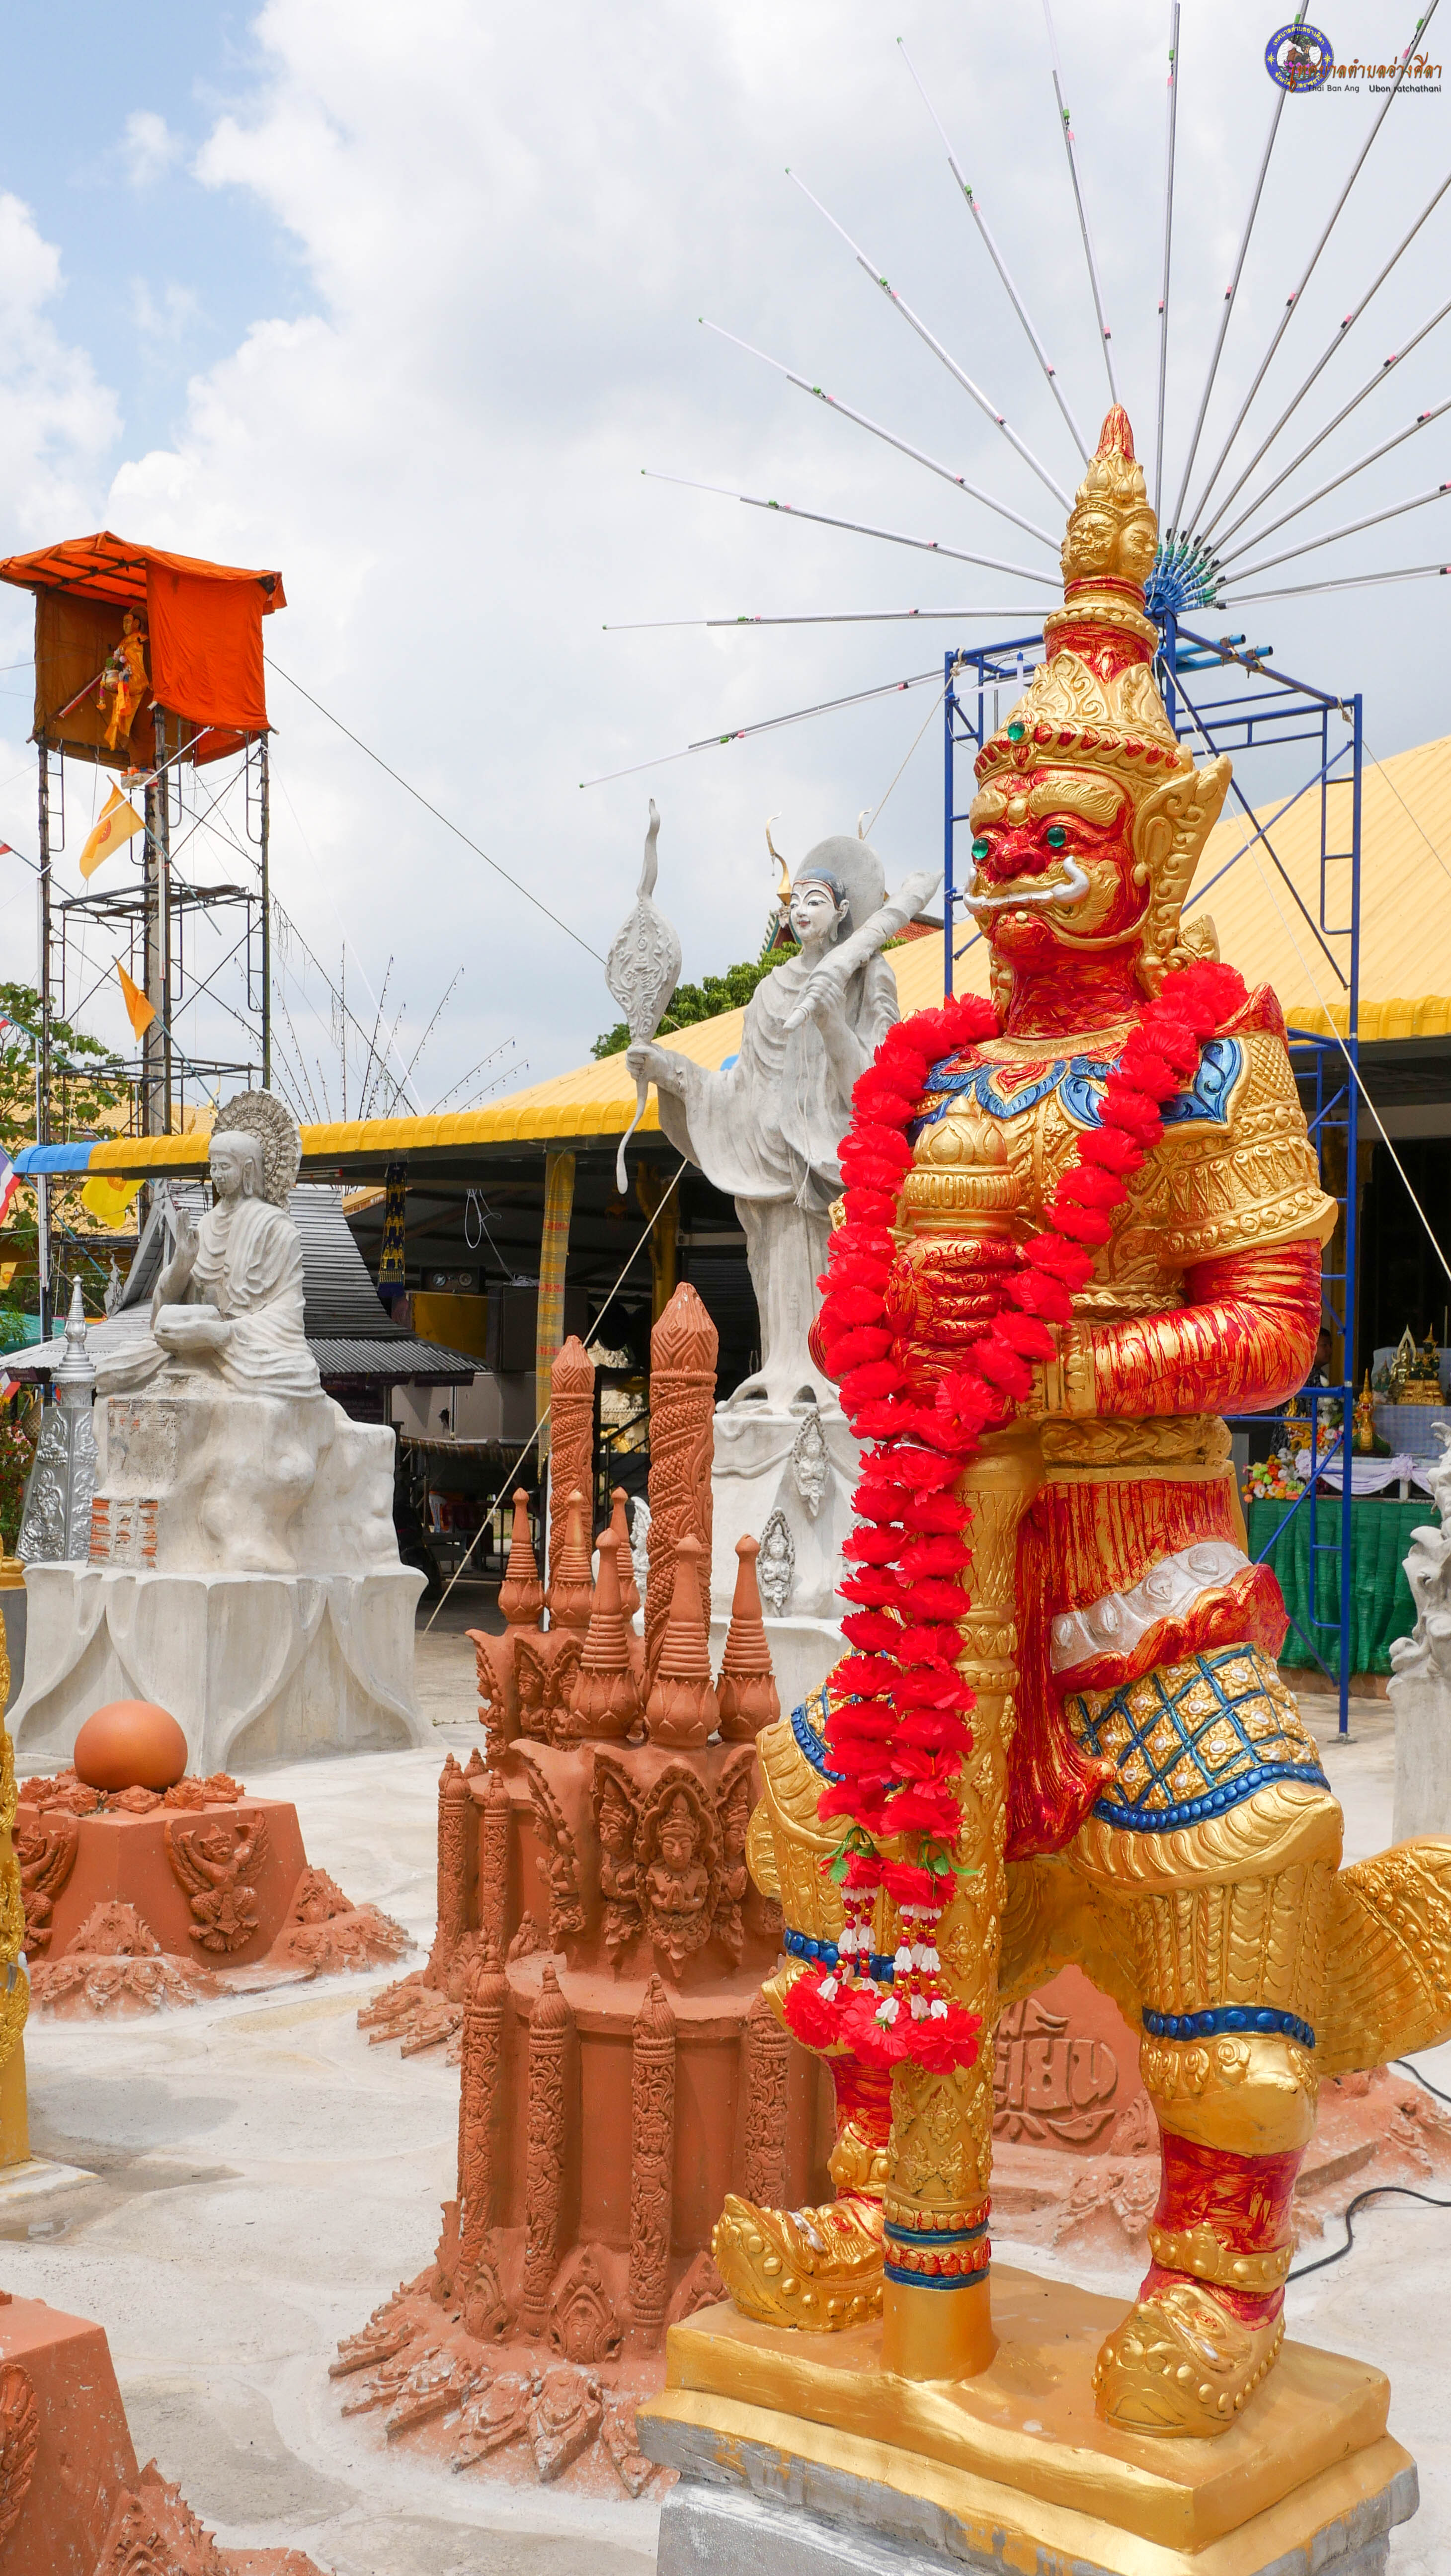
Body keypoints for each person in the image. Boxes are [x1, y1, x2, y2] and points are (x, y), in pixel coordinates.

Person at [627, 838, 937, 1408]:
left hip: (833, 1163)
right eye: (795, 902)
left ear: (843, 911)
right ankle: (780, 1371)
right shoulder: (770, 991)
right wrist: (668, 1070)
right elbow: (742, 1086)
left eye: (815, 900)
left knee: (838, 1283)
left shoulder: (869, 975)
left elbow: (878, 1083)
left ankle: (837, 1378)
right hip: (770, 1157)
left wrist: (831, 1022)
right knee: (774, 1272)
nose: (800, 912)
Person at [95, 1091, 319, 1402]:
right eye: (213, 1167)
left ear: (248, 1169)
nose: (217, 1175)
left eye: (225, 1167)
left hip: (247, 1348)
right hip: (191, 1343)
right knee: (111, 1372)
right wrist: (181, 1265)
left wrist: (221, 1334)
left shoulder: (277, 1227)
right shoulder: (205, 1225)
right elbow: (165, 1311)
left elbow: (288, 1315)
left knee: (297, 1374)